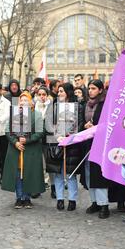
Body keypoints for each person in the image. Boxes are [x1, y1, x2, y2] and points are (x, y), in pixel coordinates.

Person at [2, 92, 45, 209]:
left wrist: (27, 140)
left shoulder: (37, 115)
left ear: (31, 102)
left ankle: (27, 198)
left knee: (28, 173)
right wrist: (15, 142)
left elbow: (40, 132)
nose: (23, 102)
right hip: (16, 149)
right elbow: (7, 130)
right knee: (17, 174)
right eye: (21, 100)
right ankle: (19, 197)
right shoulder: (14, 115)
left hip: (30, 150)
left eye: (25, 100)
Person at [47, 83, 85, 211]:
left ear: (68, 92)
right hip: (57, 143)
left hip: (72, 144)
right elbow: (49, 124)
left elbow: (80, 124)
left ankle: (72, 200)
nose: (59, 94)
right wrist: (57, 136)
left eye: (61, 91)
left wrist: (71, 137)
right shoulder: (54, 107)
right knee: (58, 173)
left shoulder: (78, 107)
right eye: (58, 92)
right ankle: (60, 199)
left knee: (70, 174)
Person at [82, 80, 111, 219]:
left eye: (93, 88)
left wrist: (94, 128)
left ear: (100, 90)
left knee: (99, 174)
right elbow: (82, 121)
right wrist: (85, 125)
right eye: (89, 88)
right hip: (87, 143)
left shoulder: (105, 104)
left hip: (101, 144)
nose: (90, 91)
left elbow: (108, 124)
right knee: (89, 174)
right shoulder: (86, 104)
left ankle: (103, 205)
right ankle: (94, 202)